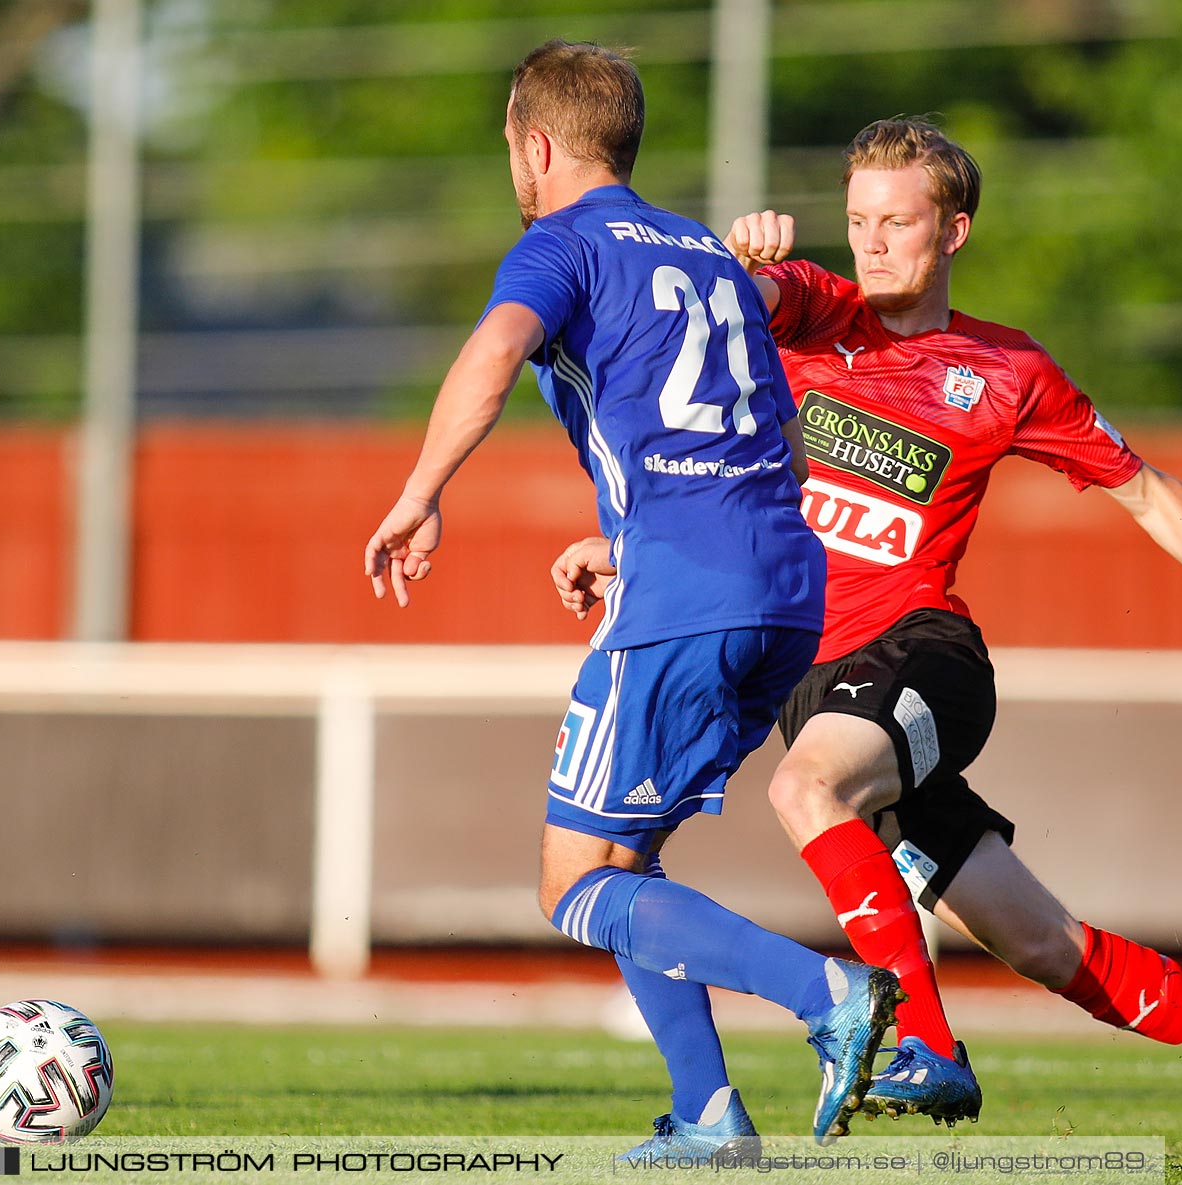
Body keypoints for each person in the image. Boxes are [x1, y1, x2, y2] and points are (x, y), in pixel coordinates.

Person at [552, 117, 1182, 1162]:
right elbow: (730, 347)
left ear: (954, 230)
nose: (870, 244)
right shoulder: (817, 312)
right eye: (856, 219)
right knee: (1046, 946)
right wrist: (739, 263)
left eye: (896, 223)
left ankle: (926, 1043)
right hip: (815, 685)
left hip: (921, 657)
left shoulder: (1007, 371)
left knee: (803, 791)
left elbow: (1146, 491)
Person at [363, 41, 904, 1159]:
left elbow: (495, 349)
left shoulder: (559, 242)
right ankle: (711, 1117)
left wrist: (420, 493)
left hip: (689, 591)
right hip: (782, 585)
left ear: (538, 144)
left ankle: (831, 997)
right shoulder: (706, 254)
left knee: (572, 886)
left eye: (510, 146)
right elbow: (760, 440)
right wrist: (624, 540)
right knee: (625, 862)